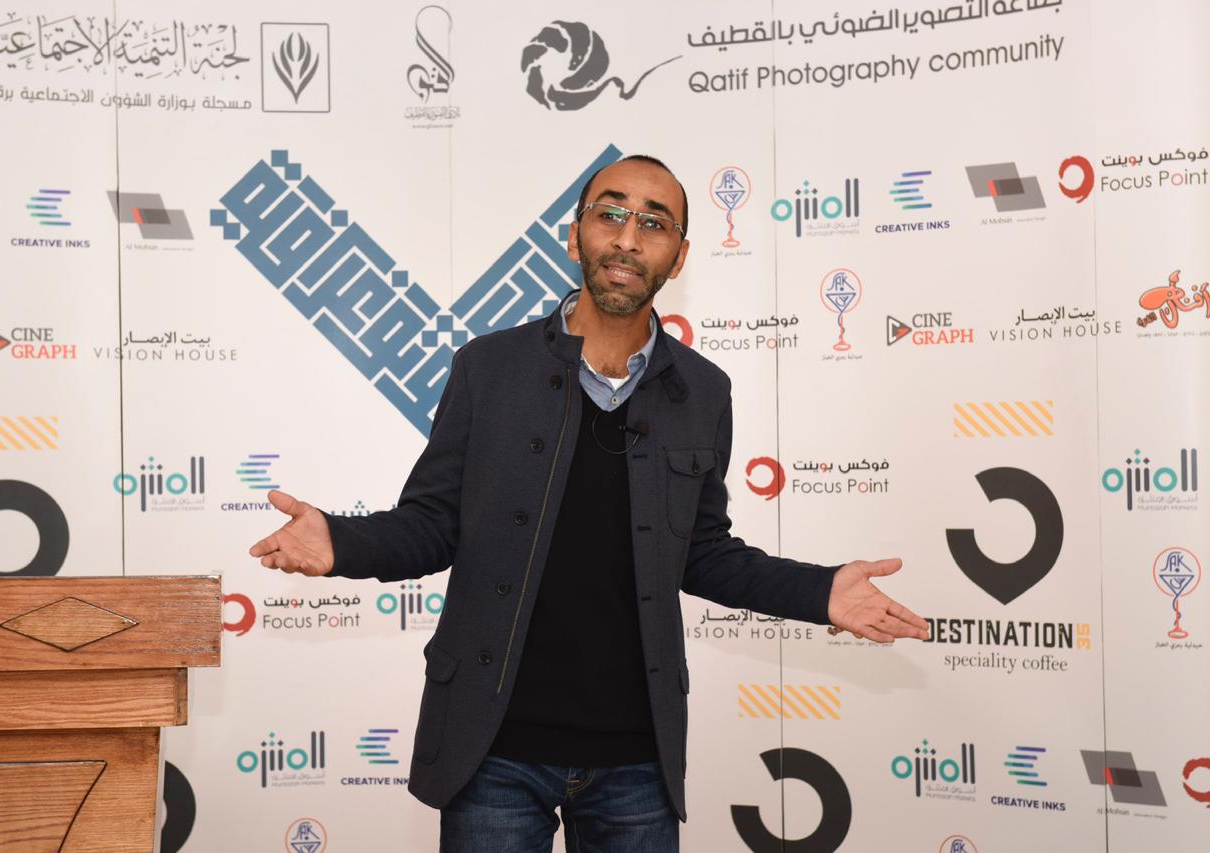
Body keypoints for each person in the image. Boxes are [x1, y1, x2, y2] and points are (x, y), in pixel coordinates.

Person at [249, 154, 929, 852]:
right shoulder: (488, 368)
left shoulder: (703, 391)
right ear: (576, 237)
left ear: (679, 257)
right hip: (493, 749)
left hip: (636, 757)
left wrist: (820, 591)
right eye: (611, 214)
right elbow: (433, 525)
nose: (628, 238)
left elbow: (702, 552)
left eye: (654, 224)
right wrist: (342, 542)